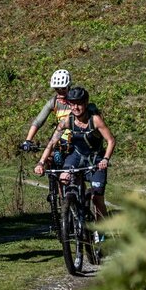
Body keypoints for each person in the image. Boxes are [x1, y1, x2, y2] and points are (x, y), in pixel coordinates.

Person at [34, 86, 115, 222]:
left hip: (96, 159)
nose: (75, 107)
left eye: (79, 104)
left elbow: (111, 140)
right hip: (76, 156)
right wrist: (41, 162)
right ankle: (76, 211)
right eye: (72, 104)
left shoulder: (95, 120)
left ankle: (102, 232)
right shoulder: (67, 121)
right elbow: (52, 143)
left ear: (85, 103)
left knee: (97, 198)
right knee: (64, 178)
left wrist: (105, 159)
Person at [19, 69, 73, 155]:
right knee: (49, 158)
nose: (60, 91)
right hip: (60, 137)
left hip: (77, 138)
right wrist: (28, 140)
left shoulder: (77, 101)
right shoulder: (54, 102)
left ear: (69, 86)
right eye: (57, 89)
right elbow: (38, 121)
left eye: (63, 88)